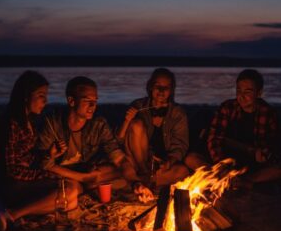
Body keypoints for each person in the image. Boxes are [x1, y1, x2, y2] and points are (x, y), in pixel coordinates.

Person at [0, 70, 79, 231]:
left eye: (46, 95)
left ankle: (11, 211)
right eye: (41, 95)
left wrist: (49, 154)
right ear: (26, 96)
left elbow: (26, 157)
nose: (45, 100)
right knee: (68, 191)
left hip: (21, 182)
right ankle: (12, 214)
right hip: (7, 184)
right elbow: (11, 170)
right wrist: (44, 174)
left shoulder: (29, 122)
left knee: (70, 198)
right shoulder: (9, 124)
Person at [38, 76, 142, 199]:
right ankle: (84, 185)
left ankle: (86, 184)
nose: (93, 105)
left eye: (95, 101)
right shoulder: (52, 123)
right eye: (87, 100)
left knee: (123, 165)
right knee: (77, 183)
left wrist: (137, 183)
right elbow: (43, 163)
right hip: (60, 174)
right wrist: (83, 177)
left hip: (85, 172)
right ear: (71, 101)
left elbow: (118, 158)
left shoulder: (98, 124)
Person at [117, 68, 189, 199]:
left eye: (166, 87)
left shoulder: (177, 113)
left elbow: (180, 146)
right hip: (137, 162)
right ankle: (144, 176)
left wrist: (168, 162)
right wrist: (127, 121)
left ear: (171, 90)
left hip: (159, 167)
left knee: (182, 172)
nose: (161, 91)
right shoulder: (138, 106)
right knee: (136, 124)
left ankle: (142, 181)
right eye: (158, 86)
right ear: (150, 86)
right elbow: (119, 141)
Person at [207, 69, 279, 185]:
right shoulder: (227, 108)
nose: (241, 96)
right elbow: (214, 138)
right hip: (227, 160)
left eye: (248, 92)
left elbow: (271, 143)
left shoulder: (268, 113)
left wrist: (263, 154)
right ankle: (229, 178)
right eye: (238, 91)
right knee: (192, 158)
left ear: (259, 93)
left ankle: (245, 181)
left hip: (252, 164)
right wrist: (221, 164)